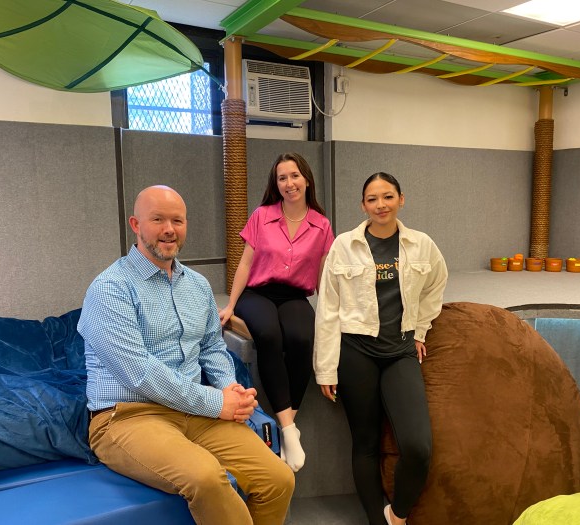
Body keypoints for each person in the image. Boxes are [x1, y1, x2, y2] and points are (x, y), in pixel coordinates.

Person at [78, 185, 294, 525]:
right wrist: (215, 402)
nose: (169, 229)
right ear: (136, 224)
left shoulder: (197, 285)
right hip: (129, 416)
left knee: (279, 479)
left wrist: (229, 388)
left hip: (194, 414)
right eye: (158, 219)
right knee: (206, 477)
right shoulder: (110, 288)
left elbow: (212, 347)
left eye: (177, 220)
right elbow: (139, 373)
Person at [313, 173, 448, 525]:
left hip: (400, 351)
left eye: (387, 197)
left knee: (418, 447)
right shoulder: (344, 245)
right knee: (365, 444)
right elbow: (327, 309)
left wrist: (420, 330)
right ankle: (377, 520)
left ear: (401, 199)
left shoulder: (421, 245)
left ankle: (397, 515)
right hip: (356, 352)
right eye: (372, 199)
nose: (380, 205)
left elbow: (436, 285)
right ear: (363, 206)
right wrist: (326, 367)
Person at [219, 152, 334, 473]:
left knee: (300, 337)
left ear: (306, 179)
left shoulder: (321, 224)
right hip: (257, 292)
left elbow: (324, 274)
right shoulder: (262, 215)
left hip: (295, 295)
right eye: (282, 178)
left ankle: (287, 425)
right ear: (276, 184)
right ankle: (289, 429)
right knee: (269, 334)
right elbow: (244, 263)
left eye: (294, 176)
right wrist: (231, 304)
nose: (289, 183)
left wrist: (329, 315)